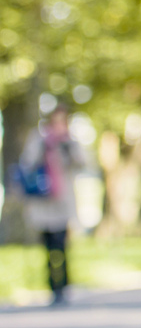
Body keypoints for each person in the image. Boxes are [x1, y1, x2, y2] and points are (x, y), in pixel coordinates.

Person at [19, 105, 86, 305]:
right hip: (43, 200)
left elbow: (82, 163)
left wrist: (67, 148)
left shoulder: (70, 142)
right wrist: (44, 148)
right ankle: (52, 287)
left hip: (62, 201)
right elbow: (27, 163)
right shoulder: (38, 139)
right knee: (48, 245)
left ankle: (64, 286)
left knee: (62, 244)